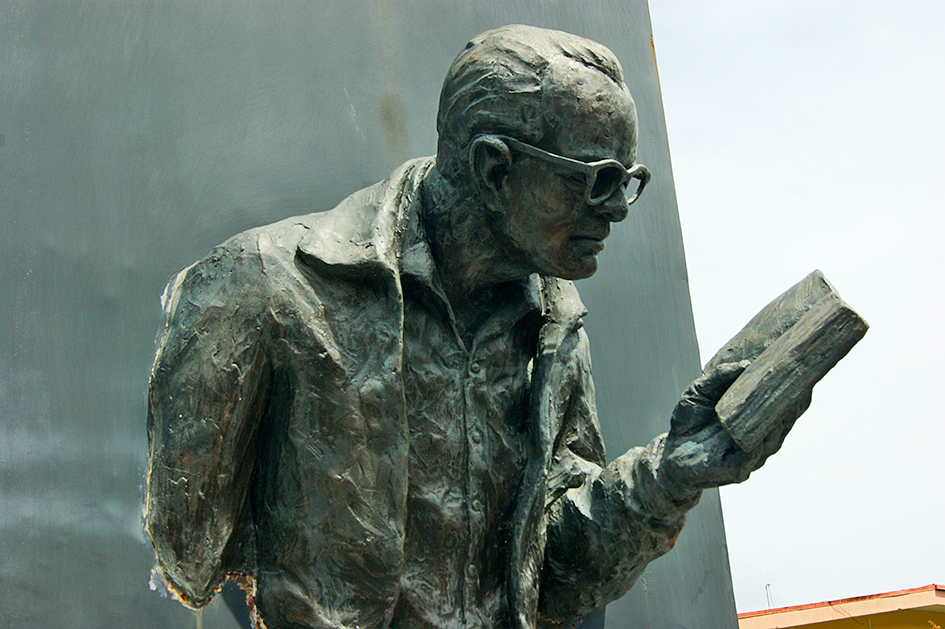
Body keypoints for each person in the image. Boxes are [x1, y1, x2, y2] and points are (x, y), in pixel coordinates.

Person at [145, 25, 800, 629]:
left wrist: (674, 471)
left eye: (629, 182)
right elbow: (191, 547)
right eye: (598, 181)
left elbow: (555, 573)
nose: (617, 211)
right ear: (493, 168)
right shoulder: (260, 285)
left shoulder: (553, 322)